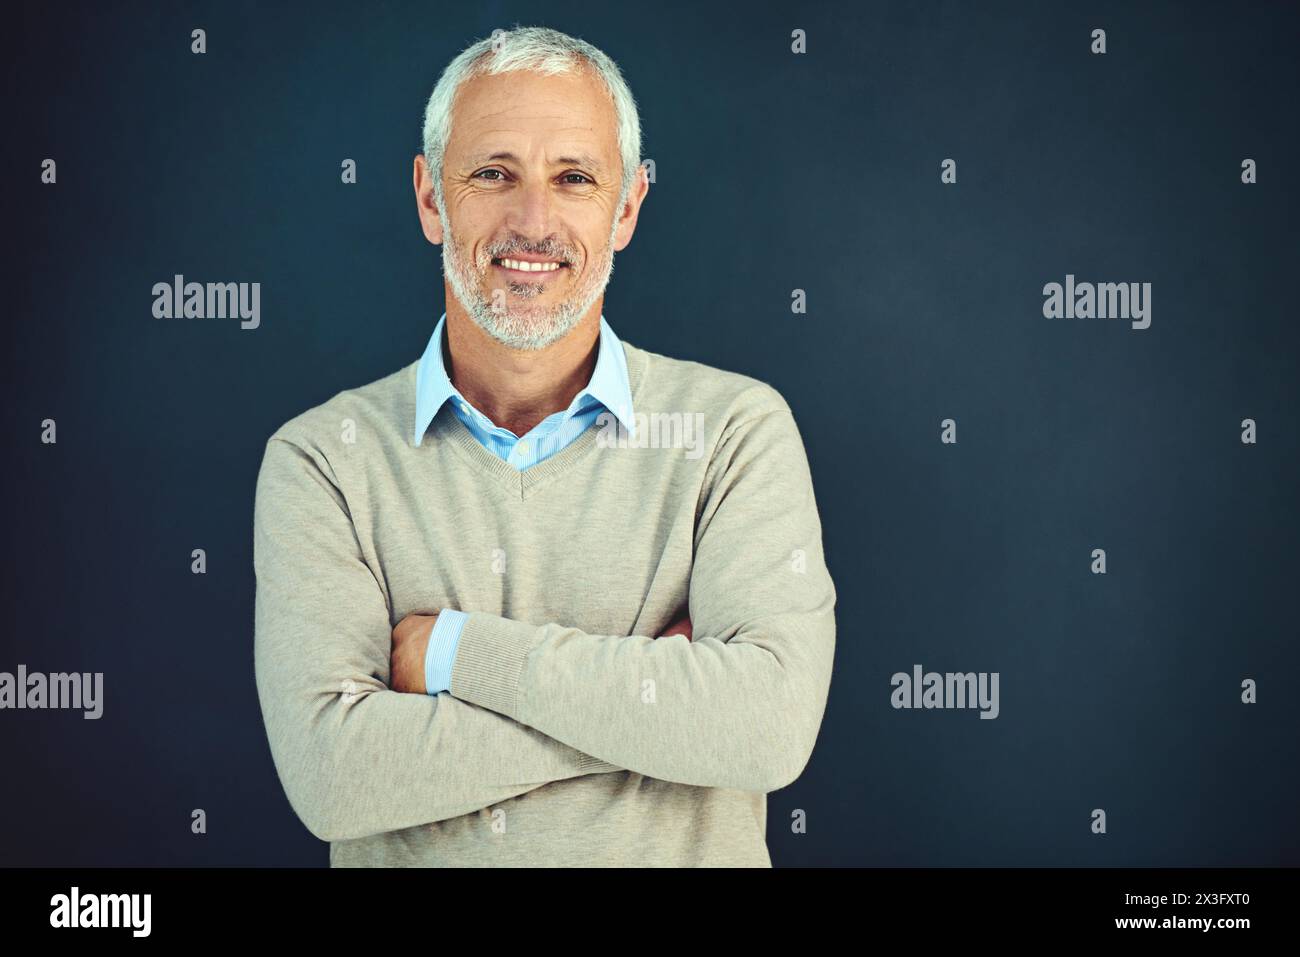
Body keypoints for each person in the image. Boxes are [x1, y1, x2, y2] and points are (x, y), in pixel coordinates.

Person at [253, 25, 836, 867]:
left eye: (574, 178)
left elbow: (767, 727)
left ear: (627, 206)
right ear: (430, 199)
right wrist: (649, 707)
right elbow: (336, 777)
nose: (534, 222)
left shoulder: (733, 433)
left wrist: (455, 652)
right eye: (493, 174)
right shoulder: (324, 460)